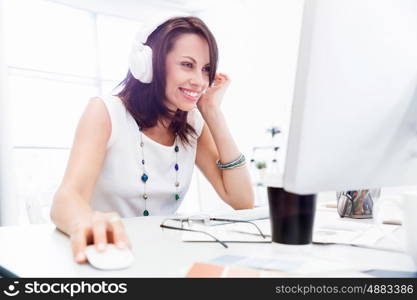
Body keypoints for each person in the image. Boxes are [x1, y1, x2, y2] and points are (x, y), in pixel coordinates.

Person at [50, 16, 254, 264]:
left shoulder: (193, 121)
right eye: (187, 65)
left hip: (161, 256)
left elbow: (242, 200)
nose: (200, 81)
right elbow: (66, 198)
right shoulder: (105, 112)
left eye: (206, 69)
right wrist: (88, 224)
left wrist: (212, 111)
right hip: (109, 253)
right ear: (149, 64)